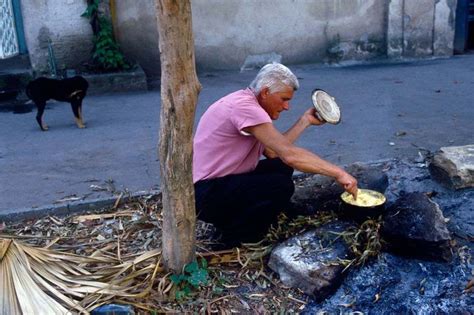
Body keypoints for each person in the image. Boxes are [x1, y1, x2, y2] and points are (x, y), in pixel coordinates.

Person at [193, 63, 358, 247]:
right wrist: (339, 173)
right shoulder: (245, 109)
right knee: (280, 186)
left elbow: (273, 152)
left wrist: (305, 121)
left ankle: (243, 220)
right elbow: (290, 154)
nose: (287, 106)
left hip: (218, 186)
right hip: (206, 195)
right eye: (284, 99)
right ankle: (237, 238)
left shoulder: (246, 103)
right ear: (265, 92)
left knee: (281, 166)